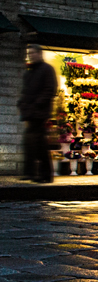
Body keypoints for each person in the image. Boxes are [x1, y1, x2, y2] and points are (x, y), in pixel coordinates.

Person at [18, 44, 58, 183]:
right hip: (30, 113)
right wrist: (22, 104)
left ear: (40, 54)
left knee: (39, 143)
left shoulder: (46, 69)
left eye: (33, 53)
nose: (31, 56)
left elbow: (50, 90)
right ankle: (30, 172)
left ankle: (45, 175)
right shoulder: (29, 72)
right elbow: (25, 91)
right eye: (29, 53)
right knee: (29, 143)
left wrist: (37, 104)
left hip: (40, 113)